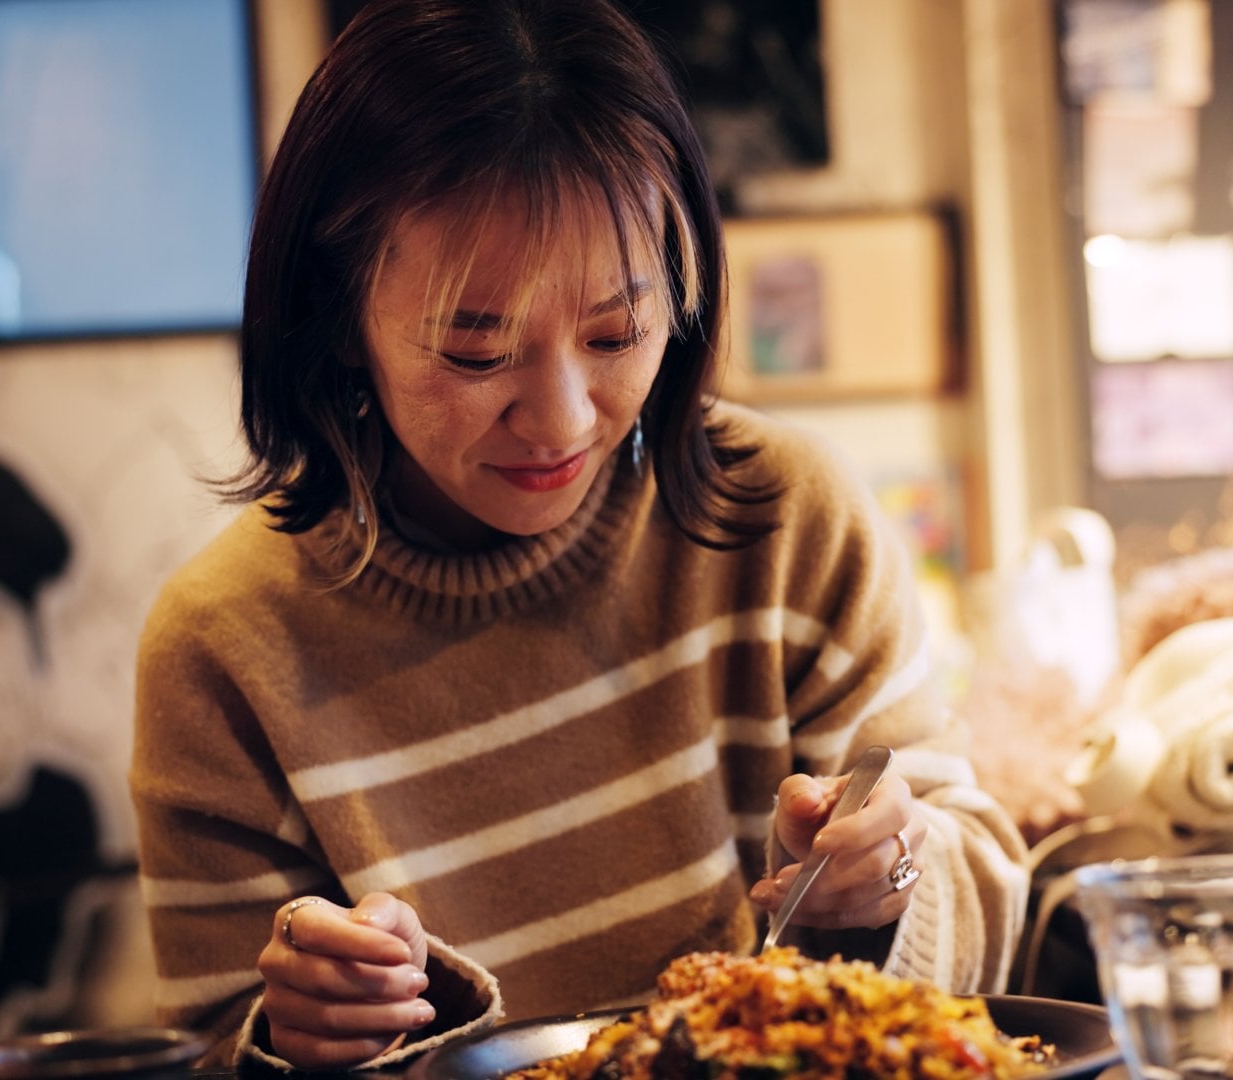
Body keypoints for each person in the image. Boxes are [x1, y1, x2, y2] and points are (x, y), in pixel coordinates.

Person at [130, 0, 1031, 1070]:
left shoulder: (788, 523)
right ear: (336, 316)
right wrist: (295, 1034)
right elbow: (208, 1050)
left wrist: (886, 883)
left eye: (616, 332)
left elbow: (983, 911)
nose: (562, 419)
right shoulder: (223, 652)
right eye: (476, 355)